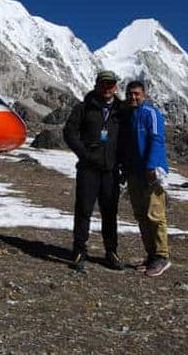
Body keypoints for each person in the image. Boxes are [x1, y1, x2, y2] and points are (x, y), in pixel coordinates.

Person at [63, 70, 124, 272]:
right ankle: (79, 251)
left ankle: (111, 252)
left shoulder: (121, 111)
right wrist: (84, 154)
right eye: (104, 84)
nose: (107, 88)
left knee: (110, 213)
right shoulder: (84, 108)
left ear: (115, 87)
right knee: (83, 210)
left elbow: (128, 140)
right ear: (97, 85)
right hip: (88, 169)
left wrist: (123, 164)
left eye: (111, 84)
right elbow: (69, 132)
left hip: (111, 171)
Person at [119, 80, 171, 277]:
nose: (133, 97)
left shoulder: (151, 113)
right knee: (141, 215)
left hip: (152, 173)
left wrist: (151, 166)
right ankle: (151, 255)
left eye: (137, 94)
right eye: (130, 94)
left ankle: (162, 256)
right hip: (134, 172)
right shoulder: (129, 116)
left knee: (155, 215)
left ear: (144, 95)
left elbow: (156, 139)